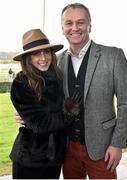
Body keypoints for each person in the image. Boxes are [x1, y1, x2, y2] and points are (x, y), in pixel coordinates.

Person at [15, 3, 127, 179]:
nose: (75, 28)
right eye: (69, 23)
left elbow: (126, 103)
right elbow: (38, 95)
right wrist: (25, 114)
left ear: (90, 25)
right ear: (62, 28)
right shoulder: (56, 62)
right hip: (67, 148)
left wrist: (117, 144)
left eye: (81, 22)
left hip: (102, 148)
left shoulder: (113, 56)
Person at [10, 28, 79, 179]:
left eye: (46, 52)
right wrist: (69, 112)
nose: (43, 58)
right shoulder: (21, 82)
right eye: (36, 53)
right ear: (28, 58)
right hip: (30, 160)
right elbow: (40, 125)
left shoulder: (57, 77)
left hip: (54, 158)